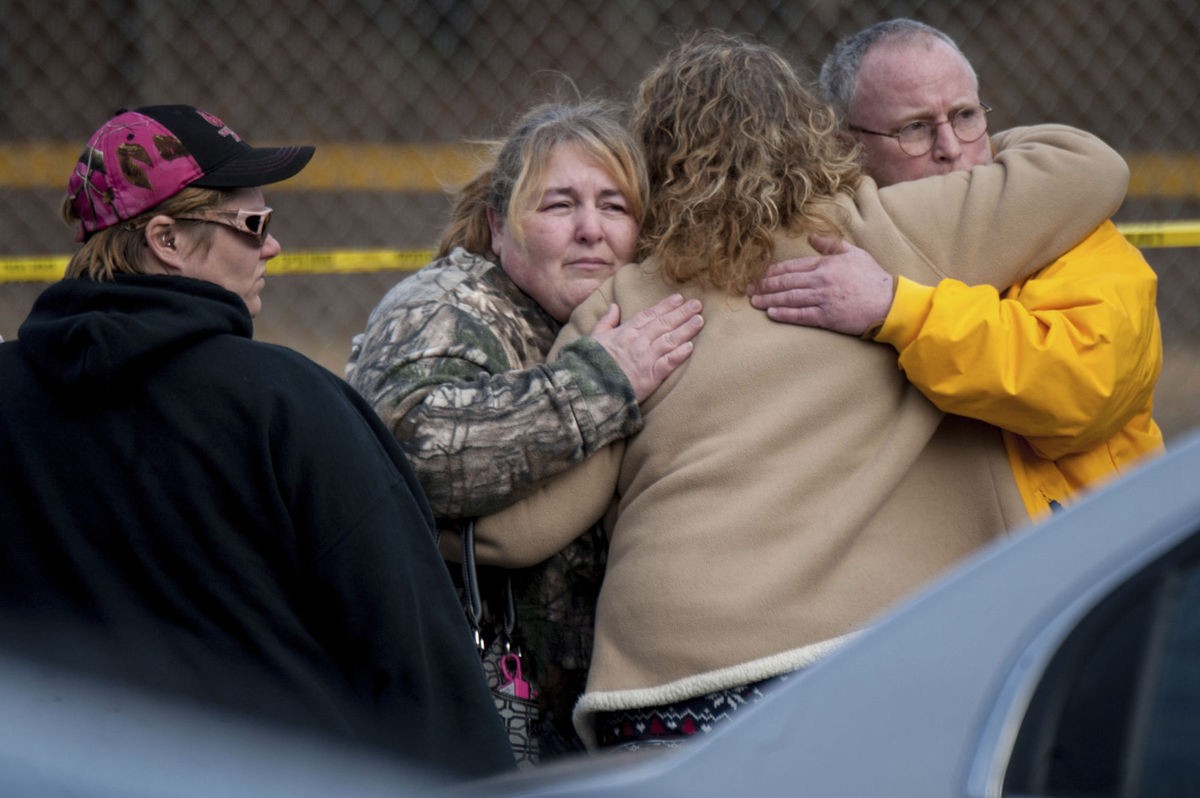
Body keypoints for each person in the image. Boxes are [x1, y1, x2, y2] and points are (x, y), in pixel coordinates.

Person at [460, 31, 1132, 750]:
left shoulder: (623, 306)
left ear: (653, 168)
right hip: (867, 668)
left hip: (671, 684)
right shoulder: (892, 233)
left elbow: (521, 528)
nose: (947, 143)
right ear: (820, 139)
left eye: (962, 118)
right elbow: (1090, 165)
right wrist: (973, 143)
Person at [0, 105, 513, 778]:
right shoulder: (289, 406)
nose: (272, 245)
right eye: (252, 225)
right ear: (167, 239)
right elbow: (415, 656)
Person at [345, 100, 703, 756]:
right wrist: (599, 385)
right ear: (498, 226)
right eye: (560, 205)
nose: (591, 229)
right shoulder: (444, 308)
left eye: (615, 207)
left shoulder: (625, 318)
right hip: (456, 719)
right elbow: (415, 453)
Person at [748, 18, 1164, 519]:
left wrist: (897, 308)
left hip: (1096, 544)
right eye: (915, 128)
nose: (951, 147)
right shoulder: (830, 239)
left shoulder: (1065, 216)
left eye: (966, 115)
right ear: (845, 147)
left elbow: (1079, 387)